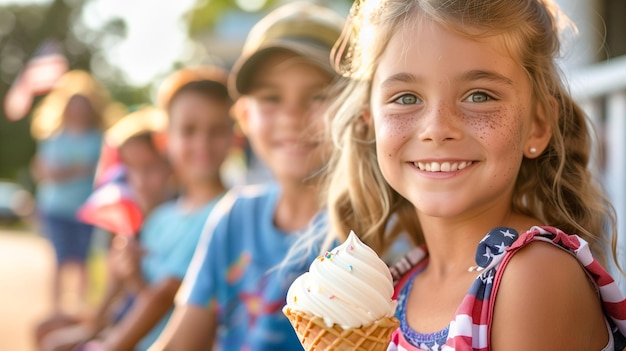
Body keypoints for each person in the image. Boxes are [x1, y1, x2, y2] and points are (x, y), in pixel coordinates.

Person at [320, 0, 626, 350]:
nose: (436, 129)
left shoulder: (534, 275)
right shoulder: (395, 284)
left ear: (538, 125)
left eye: (479, 96)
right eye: (406, 98)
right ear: (370, 122)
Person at [149, 3, 344, 350]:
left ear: (358, 108)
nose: (292, 117)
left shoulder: (378, 234)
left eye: (319, 96)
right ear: (243, 116)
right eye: (271, 97)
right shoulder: (232, 217)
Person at [77, 66, 234, 351]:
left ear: (236, 135)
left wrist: (108, 344)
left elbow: (163, 299)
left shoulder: (231, 213)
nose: (202, 143)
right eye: (189, 130)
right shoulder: (161, 218)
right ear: (165, 140)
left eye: (217, 130)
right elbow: (145, 295)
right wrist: (131, 274)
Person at [36, 107, 175, 351]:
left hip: (143, 338)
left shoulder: (175, 223)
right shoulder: (131, 226)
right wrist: (88, 329)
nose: (140, 181)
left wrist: (133, 278)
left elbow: (161, 307)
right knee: (47, 334)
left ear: (171, 166)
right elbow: (109, 301)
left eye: (151, 168)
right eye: (132, 169)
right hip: (119, 327)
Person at [32, 92, 105, 317]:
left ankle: (82, 309)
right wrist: (79, 169)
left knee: (83, 259)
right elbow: (44, 171)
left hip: (86, 210)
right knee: (59, 259)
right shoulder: (54, 138)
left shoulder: (98, 139)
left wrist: (67, 171)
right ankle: (56, 310)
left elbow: (100, 171)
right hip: (55, 208)